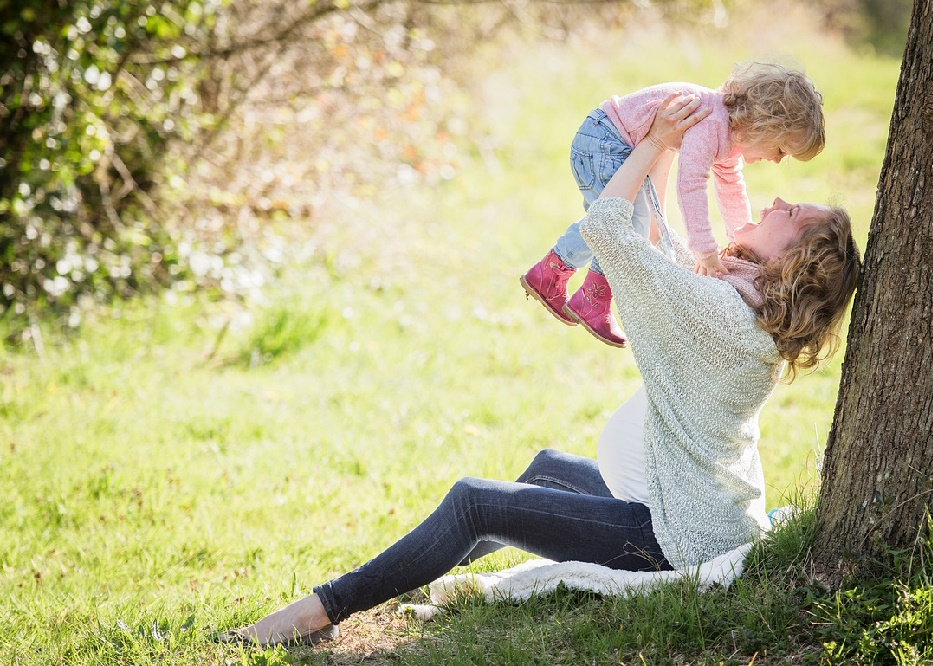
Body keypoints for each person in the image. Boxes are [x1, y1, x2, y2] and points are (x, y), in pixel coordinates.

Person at [218, 94, 859, 648]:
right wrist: (670, 152)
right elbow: (666, 249)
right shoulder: (746, 311)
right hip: (694, 509)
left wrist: (657, 141)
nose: (778, 199)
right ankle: (408, 573)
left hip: (672, 537)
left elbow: (608, 227)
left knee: (474, 501)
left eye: (795, 214)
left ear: (795, 263)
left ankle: (317, 612)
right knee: (546, 469)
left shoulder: (717, 311)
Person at [520, 62, 825, 348]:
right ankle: (591, 297)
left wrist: (739, 237)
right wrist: (704, 249)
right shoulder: (712, 123)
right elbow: (690, 185)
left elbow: (731, 187)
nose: (775, 160)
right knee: (621, 223)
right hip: (605, 141)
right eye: (781, 149)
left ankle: (551, 273)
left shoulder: (729, 135)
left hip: (609, 140)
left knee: (619, 220)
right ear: (764, 126)